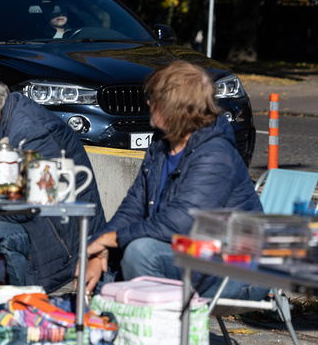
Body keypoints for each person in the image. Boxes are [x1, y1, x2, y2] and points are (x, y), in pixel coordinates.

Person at [80, 61, 267, 301]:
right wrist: (100, 249)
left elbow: (180, 223)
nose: (147, 103)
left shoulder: (216, 154)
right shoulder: (161, 144)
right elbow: (132, 208)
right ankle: (104, 330)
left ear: (174, 107)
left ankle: (156, 335)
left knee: (140, 252)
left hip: (235, 269)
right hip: (187, 254)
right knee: (93, 246)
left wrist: (111, 240)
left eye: (153, 98)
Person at [0, 68, 106, 291]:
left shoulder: (31, 133)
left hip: (62, 234)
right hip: (21, 217)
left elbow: (33, 205)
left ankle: (16, 305)